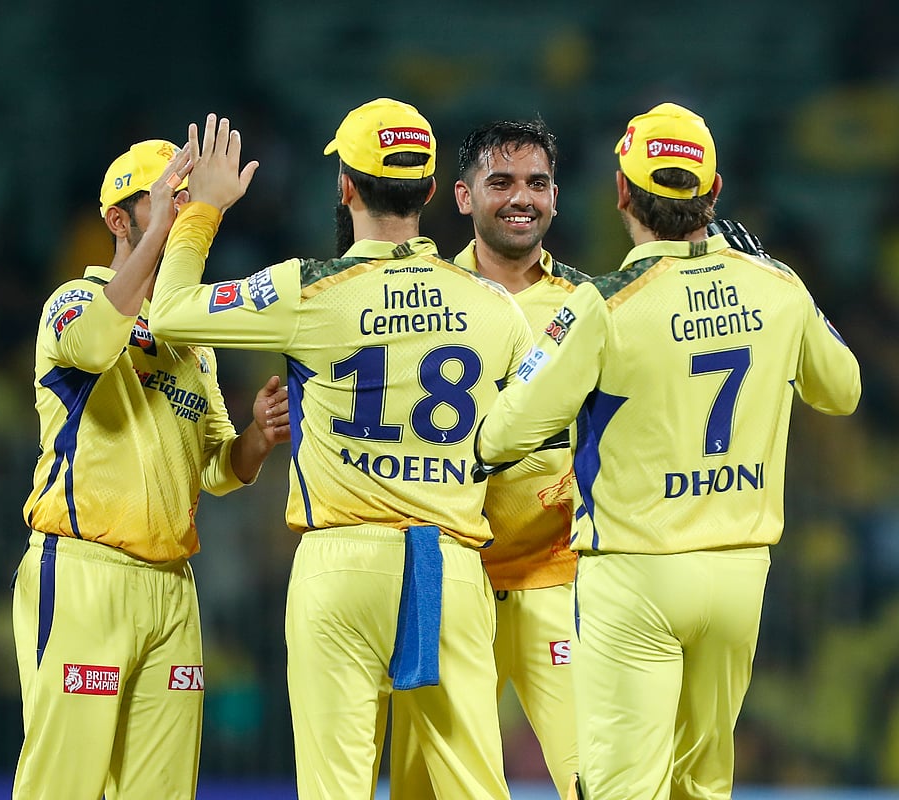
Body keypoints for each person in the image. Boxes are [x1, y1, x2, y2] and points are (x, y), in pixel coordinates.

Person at [473, 102, 862, 800]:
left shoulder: (602, 305)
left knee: (624, 787)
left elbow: (503, 435)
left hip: (636, 575)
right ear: (713, 194)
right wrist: (771, 267)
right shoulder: (778, 287)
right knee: (705, 782)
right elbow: (845, 389)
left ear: (621, 192)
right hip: (740, 572)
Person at [150, 101, 533, 799]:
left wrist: (202, 210)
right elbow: (534, 424)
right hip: (446, 565)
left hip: (341, 560)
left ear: (346, 187)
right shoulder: (493, 307)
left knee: (335, 788)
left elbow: (169, 312)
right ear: (426, 192)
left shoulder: (306, 289)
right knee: (474, 787)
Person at [11, 138, 289, 800]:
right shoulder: (72, 302)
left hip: (171, 589)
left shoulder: (192, 340)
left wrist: (257, 433)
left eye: (187, 199)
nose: (182, 210)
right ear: (117, 219)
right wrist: (168, 228)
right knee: (64, 787)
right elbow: (94, 343)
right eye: (166, 197)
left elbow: (220, 469)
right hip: (84, 573)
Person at [390, 118, 586, 800]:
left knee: (596, 780)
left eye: (536, 183)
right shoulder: (416, 299)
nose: (520, 198)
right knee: (420, 791)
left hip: (554, 580)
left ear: (556, 197)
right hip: (443, 582)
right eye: (500, 182)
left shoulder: (590, 308)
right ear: (464, 197)